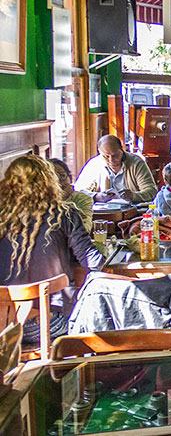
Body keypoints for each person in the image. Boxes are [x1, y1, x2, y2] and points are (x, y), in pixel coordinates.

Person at [0, 155, 104, 344]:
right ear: (49, 182)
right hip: (47, 323)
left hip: (4, 328)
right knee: (98, 317)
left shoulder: (2, 218)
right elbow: (93, 262)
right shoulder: (64, 213)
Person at [75, 135, 157, 203]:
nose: (111, 160)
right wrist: (96, 196)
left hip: (132, 212)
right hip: (103, 213)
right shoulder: (94, 164)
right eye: (106, 156)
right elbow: (78, 191)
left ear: (122, 150)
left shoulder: (136, 163)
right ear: (100, 152)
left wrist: (133, 196)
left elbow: (151, 191)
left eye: (115, 155)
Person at [49, 158, 93, 232]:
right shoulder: (40, 201)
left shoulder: (82, 199)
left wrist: (64, 202)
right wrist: (59, 200)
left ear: (70, 177)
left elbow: (85, 228)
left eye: (62, 176)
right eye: (53, 178)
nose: (59, 182)